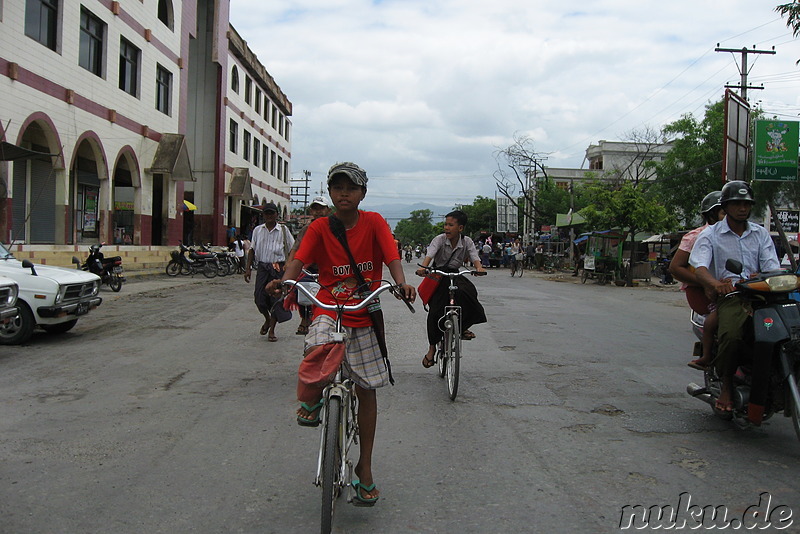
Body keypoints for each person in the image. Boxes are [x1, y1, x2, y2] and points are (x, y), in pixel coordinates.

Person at [266, 162, 415, 506]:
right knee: (316, 339)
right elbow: (299, 261)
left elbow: (391, 256)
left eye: (351, 187)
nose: (343, 193)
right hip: (329, 306)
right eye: (337, 187)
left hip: (365, 310)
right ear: (331, 192)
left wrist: (402, 281)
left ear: (362, 193)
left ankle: (365, 469)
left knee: (367, 390)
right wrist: (286, 280)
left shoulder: (375, 222)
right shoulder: (320, 227)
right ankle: (312, 396)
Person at [689, 181, 780, 413]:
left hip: (763, 294)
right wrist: (716, 284)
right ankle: (727, 384)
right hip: (733, 295)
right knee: (731, 335)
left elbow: (773, 266)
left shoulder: (760, 233)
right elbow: (699, 266)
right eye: (737, 204)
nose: (742, 208)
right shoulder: (711, 234)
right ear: (726, 206)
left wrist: (764, 275)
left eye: (746, 204)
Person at [416, 210, 487, 368]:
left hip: (455, 274)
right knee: (435, 311)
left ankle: (461, 327)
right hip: (438, 274)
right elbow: (430, 255)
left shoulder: (467, 241)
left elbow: (474, 257)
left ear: (460, 228)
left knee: (469, 293)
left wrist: (479, 268)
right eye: (445, 224)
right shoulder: (439, 239)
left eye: (450, 225)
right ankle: (432, 348)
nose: (446, 228)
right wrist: (423, 268)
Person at [669, 191, 724, 371]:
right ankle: (709, 357)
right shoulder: (697, 236)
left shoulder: (750, 234)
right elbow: (676, 268)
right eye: (724, 212)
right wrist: (706, 283)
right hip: (704, 293)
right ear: (711, 214)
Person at [244, 202, 295, 341]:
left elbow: (292, 250)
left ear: (277, 214)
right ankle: (267, 319)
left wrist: (289, 266)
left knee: (276, 300)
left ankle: (272, 330)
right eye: (267, 213)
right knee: (259, 298)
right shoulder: (257, 230)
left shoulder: (284, 230)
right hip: (262, 267)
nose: (269, 216)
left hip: (278, 268)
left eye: (272, 213)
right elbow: (252, 250)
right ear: (263, 215)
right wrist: (248, 268)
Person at [287, 195, 332, 335]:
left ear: (328, 210)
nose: (318, 212)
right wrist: (289, 263)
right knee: (298, 290)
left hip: (332, 268)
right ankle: (305, 318)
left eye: (321, 209)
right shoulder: (307, 229)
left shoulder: (334, 227)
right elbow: (296, 247)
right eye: (315, 209)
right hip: (311, 269)